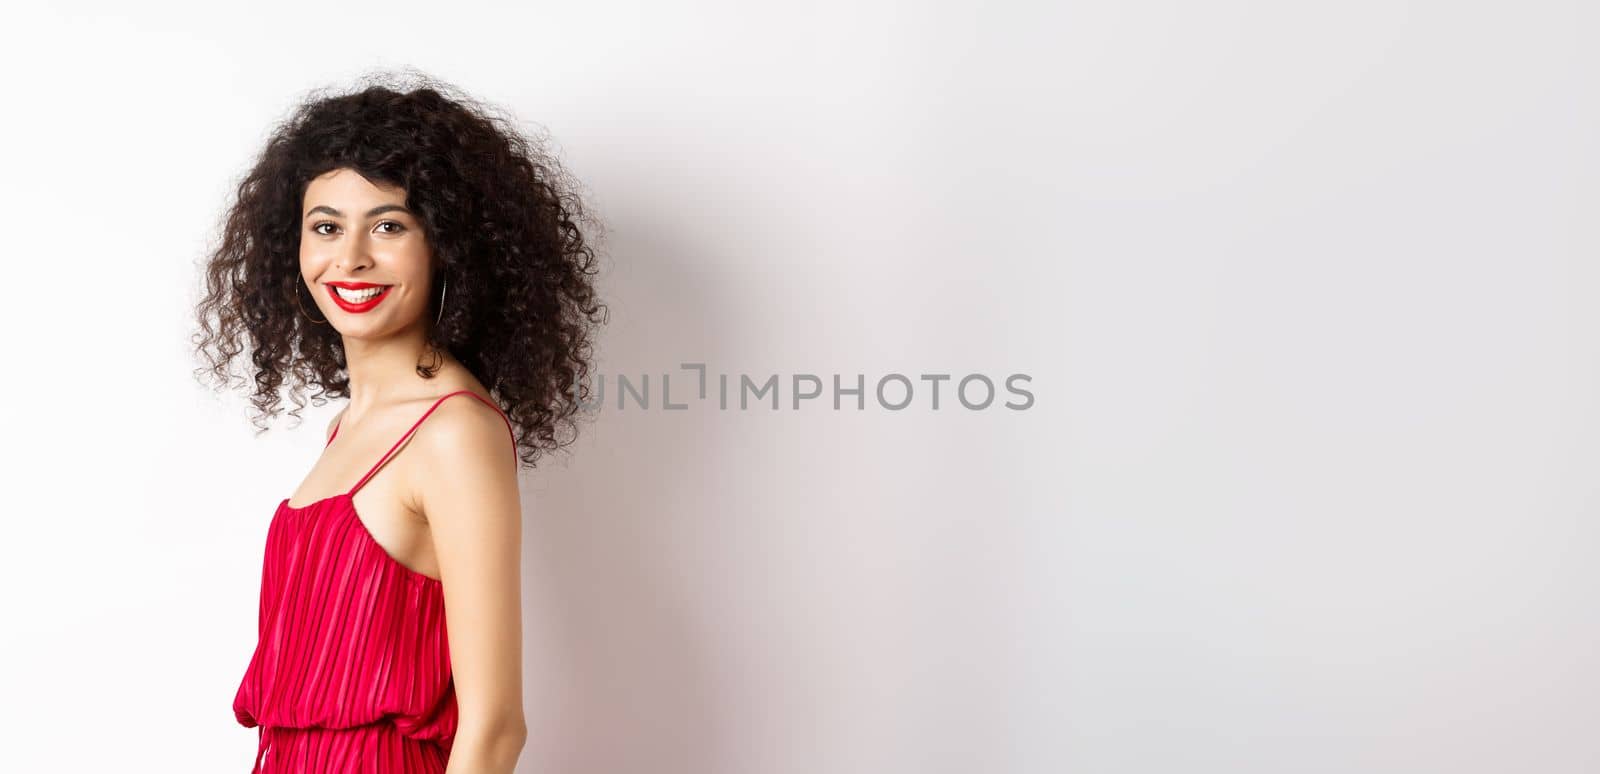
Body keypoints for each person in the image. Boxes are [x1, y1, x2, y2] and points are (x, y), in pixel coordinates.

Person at [192, 71, 607, 773]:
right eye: (326, 226)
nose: (350, 257)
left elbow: (495, 727)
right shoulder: (351, 427)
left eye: (388, 225)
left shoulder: (453, 432)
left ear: (446, 243)